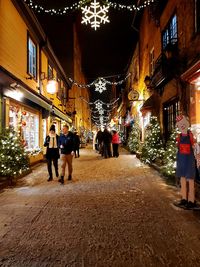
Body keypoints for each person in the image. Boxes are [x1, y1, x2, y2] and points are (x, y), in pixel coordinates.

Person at [176, 115, 196, 209]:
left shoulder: (191, 135)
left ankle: (191, 200)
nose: (182, 125)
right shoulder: (179, 136)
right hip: (181, 161)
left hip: (189, 161)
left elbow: (195, 147)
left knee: (190, 180)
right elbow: (178, 148)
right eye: (180, 124)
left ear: (188, 124)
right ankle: (184, 198)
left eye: (184, 123)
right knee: (182, 180)